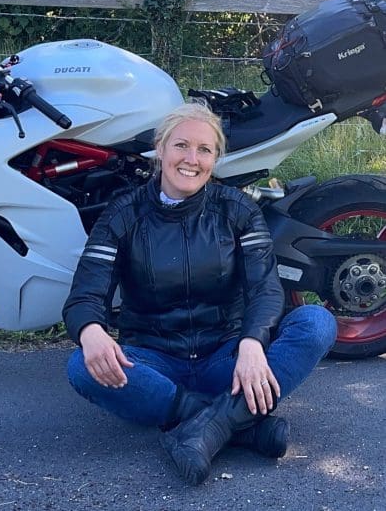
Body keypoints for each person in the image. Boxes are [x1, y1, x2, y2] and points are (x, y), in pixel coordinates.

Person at [62, 102, 337, 486]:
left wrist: (253, 344)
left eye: (204, 150)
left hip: (228, 360)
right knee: (80, 366)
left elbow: (264, 287)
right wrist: (90, 329)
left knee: (317, 322)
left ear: (215, 158)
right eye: (181, 146)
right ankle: (235, 423)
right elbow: (84, 294)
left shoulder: (238, 209)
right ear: (160, 149)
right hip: (155, 365)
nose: (191, 159)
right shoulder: (122, 214)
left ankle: (205, 424)